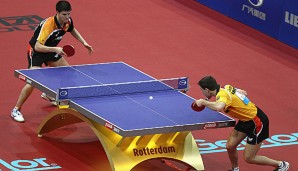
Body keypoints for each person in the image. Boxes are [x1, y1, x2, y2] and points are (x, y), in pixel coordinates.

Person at [11, 0, 93, 122]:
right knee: (32, 82)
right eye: (64, 14)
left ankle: (48, 95)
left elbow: (72, 29)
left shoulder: (67, 21)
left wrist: (84, 42)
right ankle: (16, 109)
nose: (67, 17)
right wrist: (56, 49)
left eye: (69, 14)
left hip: (52, 50)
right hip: (36, 52)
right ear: (57, 13)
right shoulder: (48, 25)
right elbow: (37, 46)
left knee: (68, 73)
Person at [195, 76, 289, 171]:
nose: (202, 92)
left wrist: (203, 102)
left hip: (257, 121)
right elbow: (243, 92)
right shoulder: (226, 87)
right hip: (245, 119)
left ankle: (281, 164)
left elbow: (219, 107)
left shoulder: (222, 95)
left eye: (202, 90)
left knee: (249, 158)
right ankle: (235, 169)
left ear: (207, 89)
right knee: (230, 146)